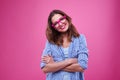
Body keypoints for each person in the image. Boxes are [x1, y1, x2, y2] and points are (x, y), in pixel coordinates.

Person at [40, 9, 88, 80]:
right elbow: (45, 68)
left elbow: (82, 67)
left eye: (61, 19)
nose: (60, 24)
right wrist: (70, 61)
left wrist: (54, 65)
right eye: (56, 23)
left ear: (66, 18)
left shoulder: (80, 38)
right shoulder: (50, 42)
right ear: (54, 27)